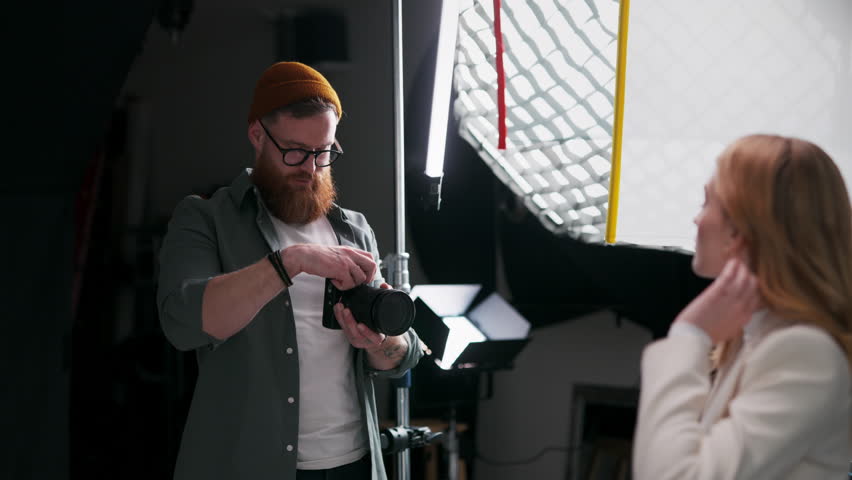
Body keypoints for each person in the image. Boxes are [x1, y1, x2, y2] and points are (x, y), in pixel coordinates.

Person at [157, 61, 424, 480]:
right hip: (251, 466)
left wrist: (378, 341)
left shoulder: (353, 228)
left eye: (324, 152)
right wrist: (291, 262)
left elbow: (404, 354)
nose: (311, 167)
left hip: (355, 463)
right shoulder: (205, 219)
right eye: (296, 151)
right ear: (257, 135)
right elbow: (183, 323)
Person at [632, 134, 852, 479]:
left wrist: (688, 334)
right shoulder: (751, 339)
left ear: (743, 229)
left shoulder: (803, 351)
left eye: (707, 203)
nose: (696, 220)